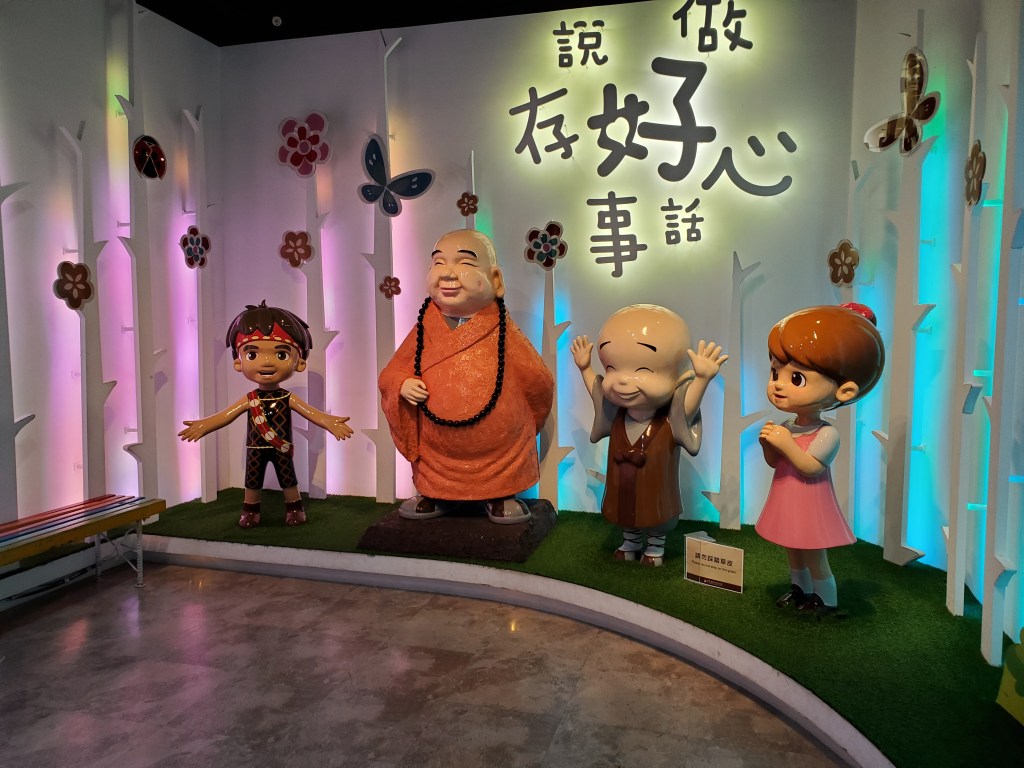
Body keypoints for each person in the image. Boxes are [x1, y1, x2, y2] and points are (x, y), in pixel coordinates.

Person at [378, 228, 554, 524]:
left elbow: (538, 381)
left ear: (495, 279)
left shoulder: (503, 330)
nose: (448, 273)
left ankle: (500, 494)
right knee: (435, 474)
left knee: (502, 470)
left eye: (465, 263)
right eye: (439, 262)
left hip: (502, 454)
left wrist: (521, 423)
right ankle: (436, 493)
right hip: (436, 454)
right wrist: (402, 384)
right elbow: (392, 373)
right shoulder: (425, 328)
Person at [570, 304, 727, 566]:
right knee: (623, 509)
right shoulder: (617, 415)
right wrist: (585, 368)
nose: (622, 381)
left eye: (642, 371)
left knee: (655, 511)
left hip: (656, 485)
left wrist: (702, 380)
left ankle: (655, 546)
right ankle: (630, 542)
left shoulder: (670, 418)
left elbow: (686, 410)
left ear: (677, 375)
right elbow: (597, 394)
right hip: (622, 483)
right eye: (612, 369)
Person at [756, 303, 885, 619]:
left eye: (796, 378)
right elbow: (776, 463)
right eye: (775, 373)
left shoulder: (827, 433)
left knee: (814, 553)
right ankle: (799, 589)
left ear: (845, 390)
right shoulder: (788, 426)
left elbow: (811, 467)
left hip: (811, 505)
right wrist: (768, 445)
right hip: (786, 499)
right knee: (792, 549)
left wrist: (785, 444)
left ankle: (825, 598)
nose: (778, 384)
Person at [178, 301, 353, 527]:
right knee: (252, 481)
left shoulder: (286, 397)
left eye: (281, 355)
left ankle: (295, 508)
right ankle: (250, 511)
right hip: (255, 449)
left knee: (288, 479)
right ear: (238, 363)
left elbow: (311, 413)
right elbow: (227, 415)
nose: (267, 363)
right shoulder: (251, 399)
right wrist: (204, 425)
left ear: (299, 363)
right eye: (253, 355)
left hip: (281, 447)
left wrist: (328, 421)